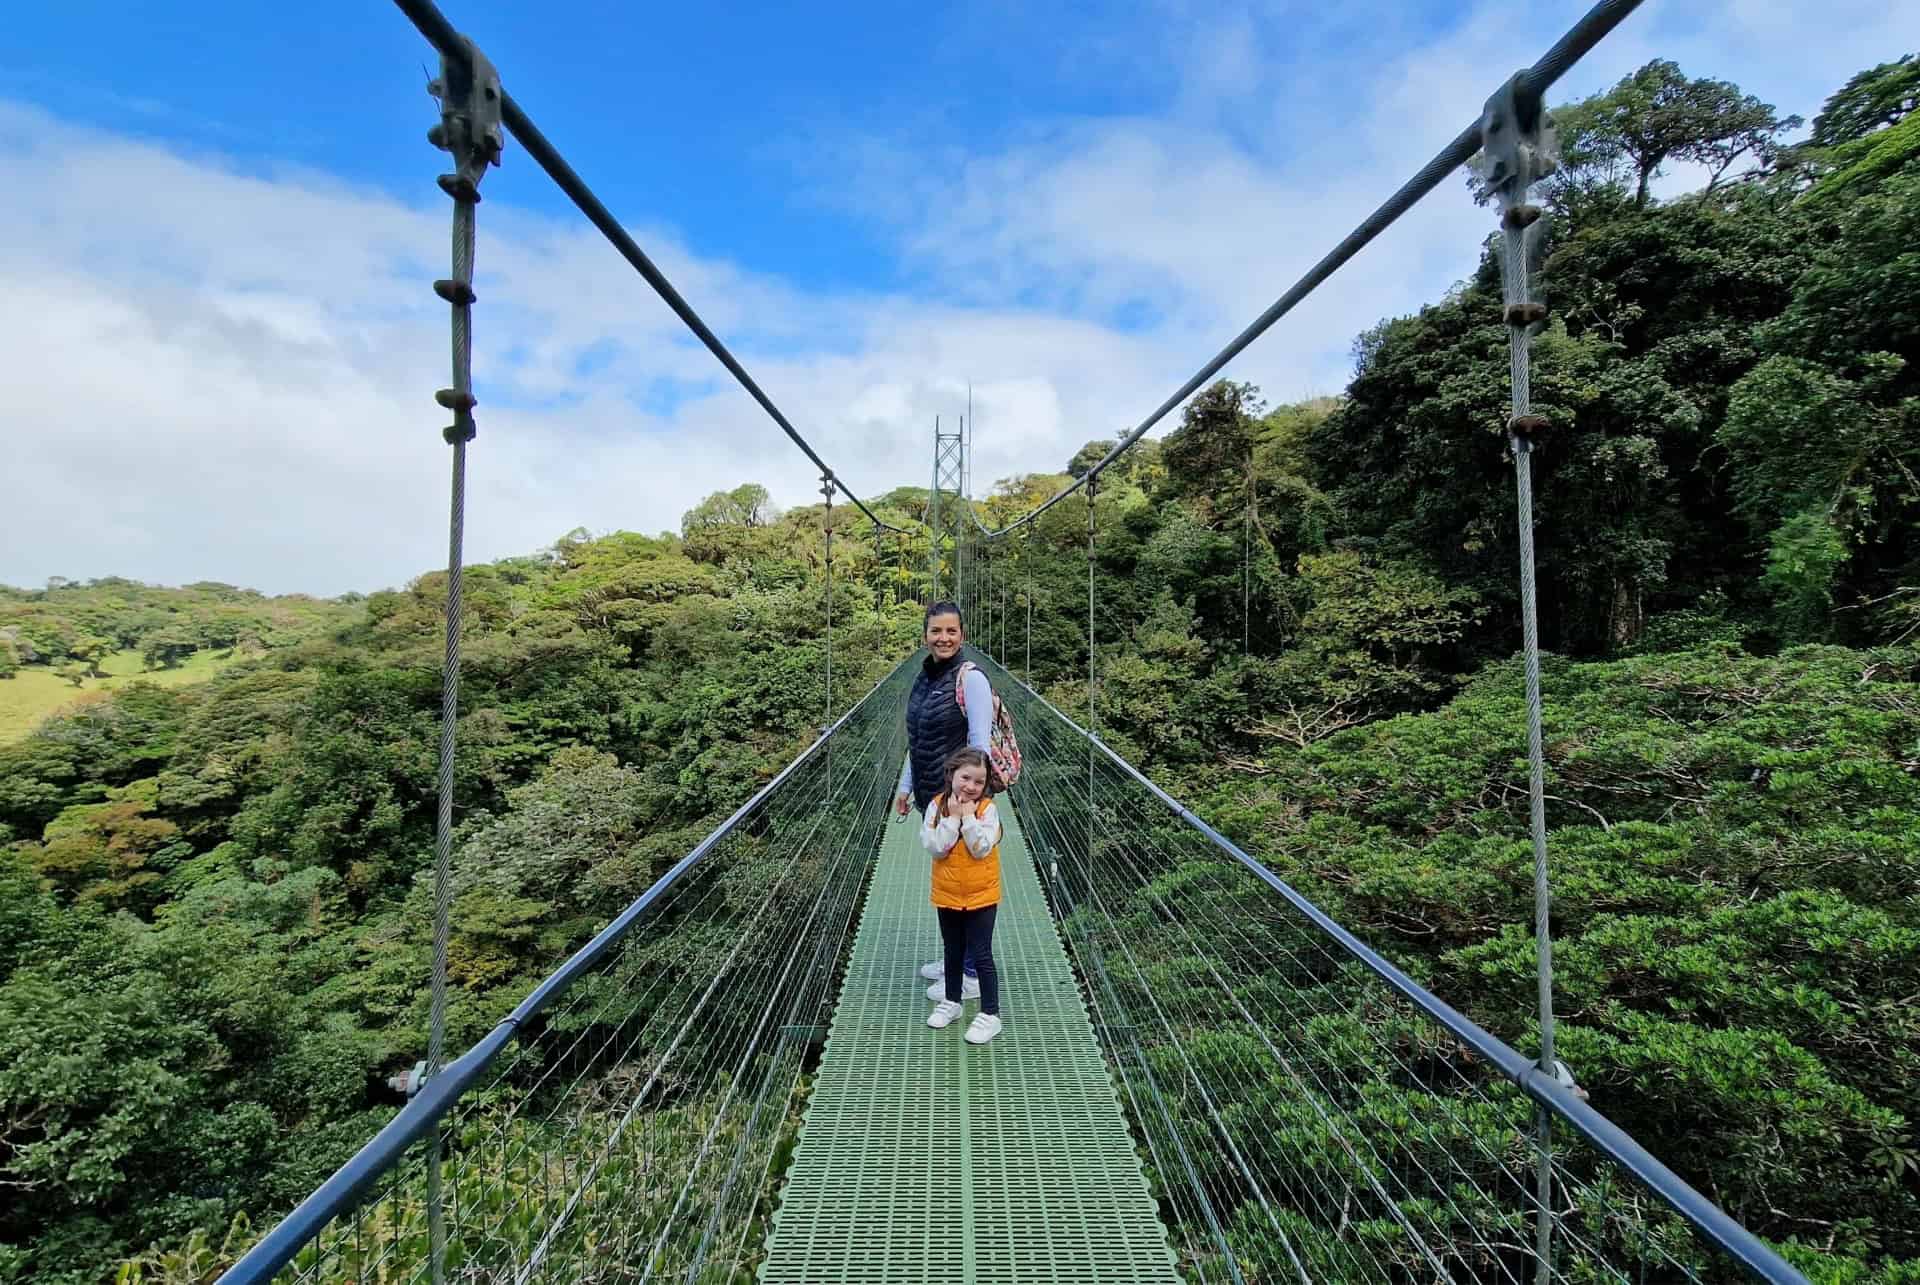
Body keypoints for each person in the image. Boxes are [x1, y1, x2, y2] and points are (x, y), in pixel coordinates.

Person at [894, 601, 995, 999]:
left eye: (951, 631)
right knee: (950, 878)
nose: (944, 638)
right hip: (932, 796)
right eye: (936, 631)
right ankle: (956, 958)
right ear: (925, 636)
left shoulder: (971, 680)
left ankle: (969, 974)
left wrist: (966, 801)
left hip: (959, 799)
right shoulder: (923, 679)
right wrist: (906, 786)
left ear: (963, 635)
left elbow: (980, 746)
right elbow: (917, 739)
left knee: (967, 881)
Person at [920, 748, 1003, 1044]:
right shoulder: (936, 806)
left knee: (981, 954)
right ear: (951, 775)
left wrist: (968, 819)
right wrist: (953, 818)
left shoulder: (988, 810)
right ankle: (953, 1002)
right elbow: (935, 846)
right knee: (952, 950)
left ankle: (991, 1014)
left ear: (986, 785)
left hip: (982, 895)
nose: (970, 786)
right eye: (965, 778)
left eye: (979, 782)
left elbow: (981, 848)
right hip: (948, 893)